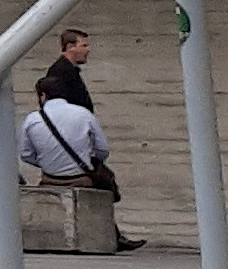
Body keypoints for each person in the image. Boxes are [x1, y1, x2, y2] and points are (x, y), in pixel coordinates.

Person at [19, 31, 143, 247]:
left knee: (101, 178)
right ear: (69, 47)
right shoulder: (61, 74)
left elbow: (26, 153)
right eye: (83, 45)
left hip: (61, 157)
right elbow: (100, 147)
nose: (88, 50)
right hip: (75, 150)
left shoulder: (63, 76)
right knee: (102, 179)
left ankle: (113, 235)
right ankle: (110, 236)